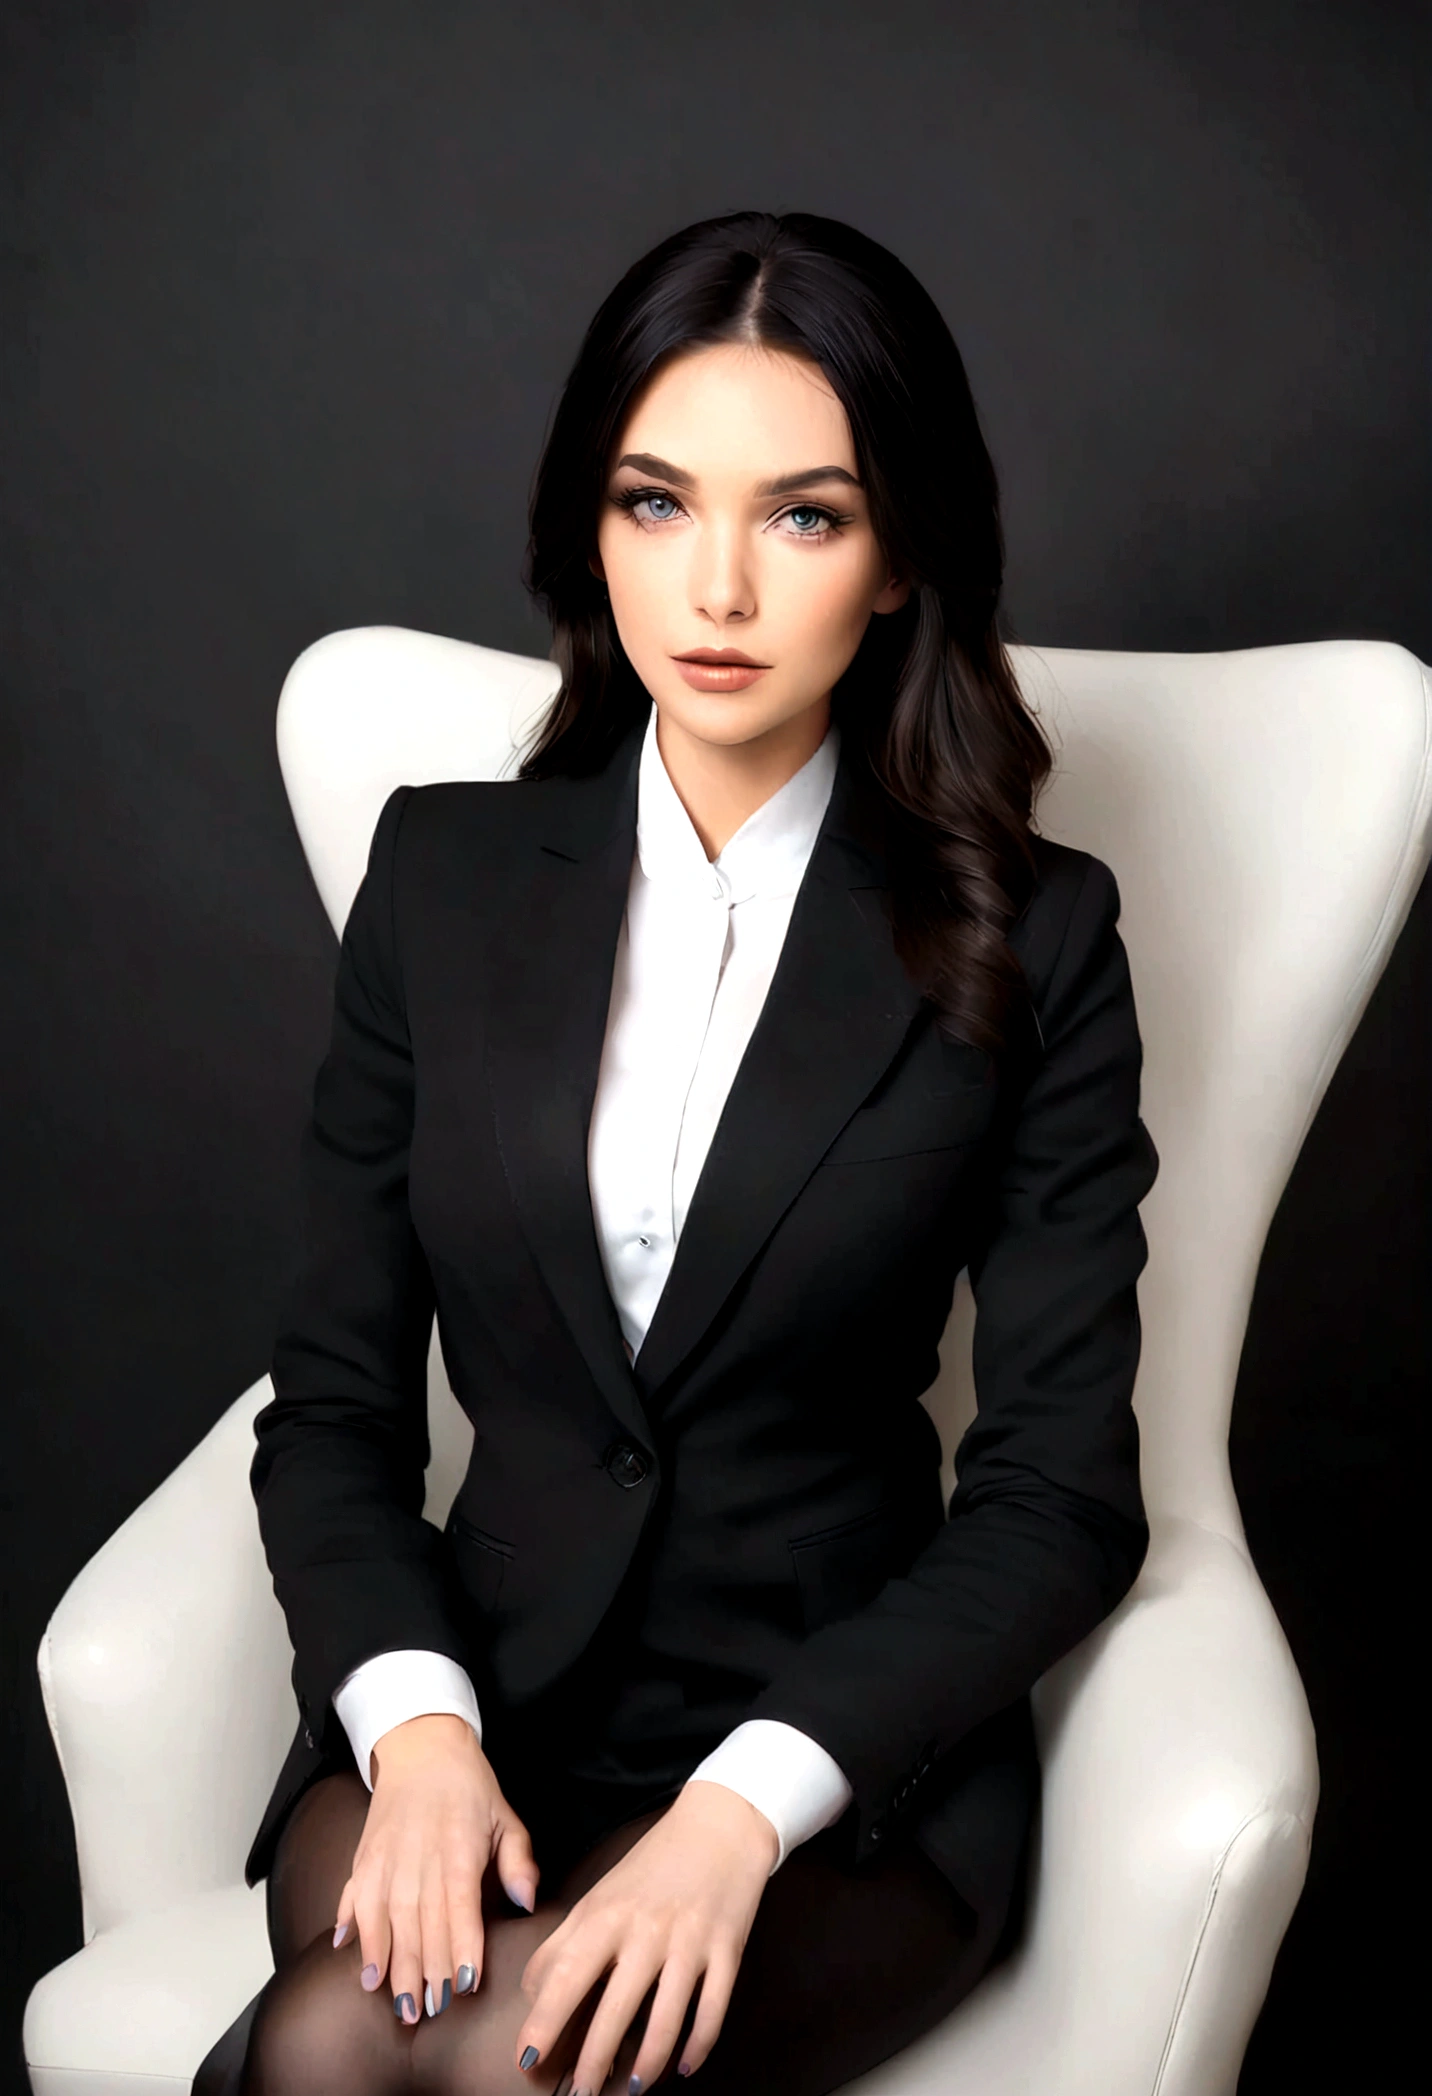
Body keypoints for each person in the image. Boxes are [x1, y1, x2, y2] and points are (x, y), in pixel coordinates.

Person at [208, 210, 1158, 2096]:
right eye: (659, 504)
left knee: (467, 2056)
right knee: (348, 2036)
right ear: (592, 528)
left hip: (834, 1767)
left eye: (805, 515)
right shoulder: (443, 878)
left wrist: (740, 1817)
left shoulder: (1033, 932)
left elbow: (1060, 1496)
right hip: (479, 1717)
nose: (716, 584)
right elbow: (328, 1410)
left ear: (898, 563)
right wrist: (410, 1729)